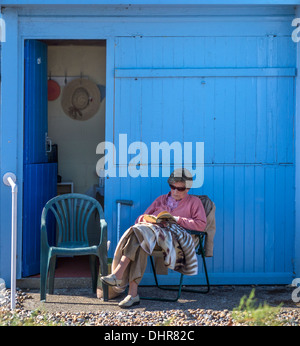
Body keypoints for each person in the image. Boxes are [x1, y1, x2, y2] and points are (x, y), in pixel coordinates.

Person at [100, 168, 207, 308]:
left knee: (140, 235)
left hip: (172, 240)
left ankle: (118, 275)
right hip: (151, 237)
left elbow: (201, 225)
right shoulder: (161, 199)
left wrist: (177, 219)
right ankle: (133, 294)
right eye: (172, 187)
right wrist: (150, 219)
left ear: (187, 188)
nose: (174, 191)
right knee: (141, 240)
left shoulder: (194, 202)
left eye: (179, 189)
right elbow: (140, 219)